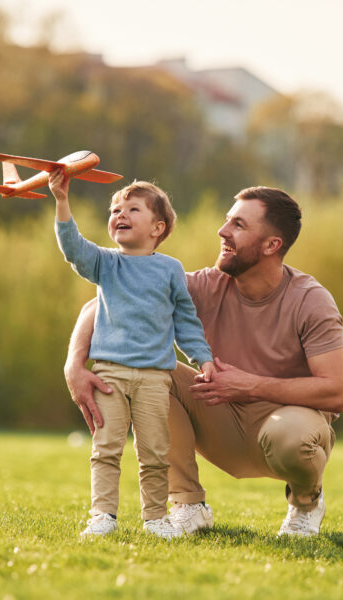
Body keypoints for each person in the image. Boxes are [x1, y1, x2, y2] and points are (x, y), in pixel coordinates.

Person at [64, 185, 343, 538]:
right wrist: (74, 366)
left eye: (239, 225)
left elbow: (336, 391)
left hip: (286, 427)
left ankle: (305, 504)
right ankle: (188, 504)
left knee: (290, 437)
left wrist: (250, 384)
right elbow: (100, 305)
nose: (223, 231)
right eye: (227, 221)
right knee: (155, 375)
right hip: (220, 417)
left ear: (271, 245)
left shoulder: (310, 300)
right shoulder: (204, 285)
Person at [49, 170, 215, 539]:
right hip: (109, 375)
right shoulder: (107, 263)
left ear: (158, 228)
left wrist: (202, 358)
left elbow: (186, 322)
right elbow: (73, 248)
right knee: (106, 449)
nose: (119, 215)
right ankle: (102, 516)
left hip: (155, 379)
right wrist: (62, 201)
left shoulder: (171, 270)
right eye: (115, 210)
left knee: (155, 453)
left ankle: (156, 518)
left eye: (132, 209)